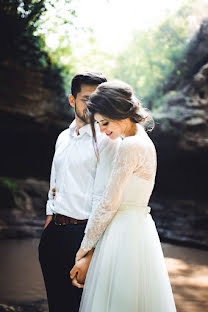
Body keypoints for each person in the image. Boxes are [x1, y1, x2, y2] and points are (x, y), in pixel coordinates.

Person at [70, 81, 177, 312]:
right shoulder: (141, 141)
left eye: (105, 122)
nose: (102, 129)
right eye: (98, 124)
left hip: (123, 233)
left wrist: (84, 249)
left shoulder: (130, 146)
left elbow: (109, 203)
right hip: (137, 229)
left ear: (119, 112)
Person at [38, 72, 121, 312]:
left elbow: (104, 200)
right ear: (72, 100)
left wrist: (89, 254)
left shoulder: (108, 141)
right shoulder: (62, 137)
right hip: (53, 234)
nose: (94, 105)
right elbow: (54, 185)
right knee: (56, 305)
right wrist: (47, 229)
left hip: (82, 237)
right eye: (86, 98)